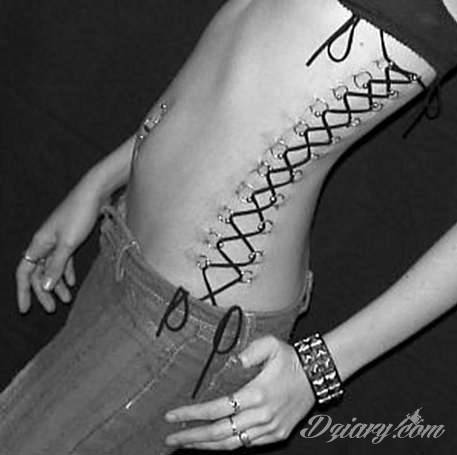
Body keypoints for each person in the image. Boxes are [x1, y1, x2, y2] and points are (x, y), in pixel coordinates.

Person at [4, 0, 457, 453]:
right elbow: (242, 53)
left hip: (192, 320)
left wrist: (319, 369)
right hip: (126, 251)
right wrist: (101, 181)